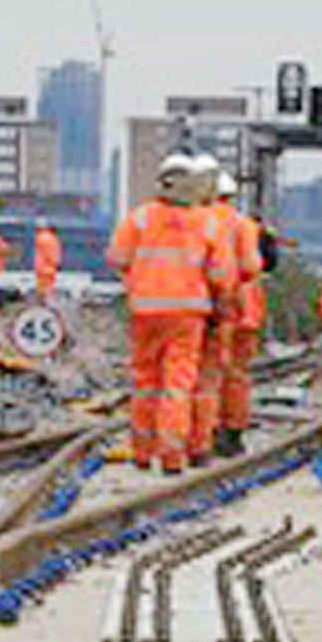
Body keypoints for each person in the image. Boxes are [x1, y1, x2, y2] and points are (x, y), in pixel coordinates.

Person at [106, 154, 234, 472]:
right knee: (178, 382)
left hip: (145, 311)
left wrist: (140, 279)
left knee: (145, 380)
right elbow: (221, 274)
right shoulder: (207, 222)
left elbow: (117, 258)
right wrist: (219, 302)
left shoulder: (139, 218)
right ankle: (172, 455)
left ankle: (142, 451)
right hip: (188, 313)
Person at [186, 154, 241, 464]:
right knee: (214, 377)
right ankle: (207, 441)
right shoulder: (237, 223)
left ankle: (167, 446)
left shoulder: (171, 217)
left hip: (178, 307)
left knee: (173, 378)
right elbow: (248, 267)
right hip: (220, 308)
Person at [215, 174, 264, 458]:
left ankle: (207, 432)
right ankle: (232, 434)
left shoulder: (199, 222)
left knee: (208, 373)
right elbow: (256, 266)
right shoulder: (246, 226)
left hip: (215, 307)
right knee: (237, 374)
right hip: (246, 308)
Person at [33, 220, 62, 301]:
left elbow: (41, 255)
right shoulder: (52, 238)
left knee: (43, 290)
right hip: (50, 268)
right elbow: (54, 255)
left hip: (42, 269)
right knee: (49, 289)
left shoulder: (40, 238)